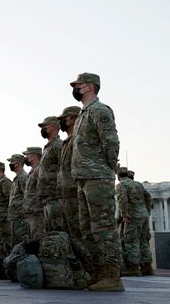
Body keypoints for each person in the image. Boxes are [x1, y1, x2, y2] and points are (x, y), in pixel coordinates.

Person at [70, 72, 123, 291]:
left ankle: (112, 276)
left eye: (78, 85)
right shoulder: (84, 113)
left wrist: (106, 168)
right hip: (83, 177)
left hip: (97, 177)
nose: (75, 88)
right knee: (87, 229)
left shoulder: (100, 111)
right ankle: (97, 274)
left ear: (89, 87)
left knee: (103, 228)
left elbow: (111, 142)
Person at [57, 106, 93, 275]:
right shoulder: (66, 142)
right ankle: (82, 272)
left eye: (63, 118)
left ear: (72, 118)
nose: (61, 122)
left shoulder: (77, 139)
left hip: (74, 193)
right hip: (64, 195)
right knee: (70, 235)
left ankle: (91, 270)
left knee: (80, 234)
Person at [116, 167, 153, 277]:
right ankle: (147, 267)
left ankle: (134, 267)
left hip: (132, 216)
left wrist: (124, 214)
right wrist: (147, 211)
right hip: (144, 215)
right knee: (144, 240)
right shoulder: (138, 184)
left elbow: (122, 199)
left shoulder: (121, 185)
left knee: (131, 240)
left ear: (118, 176)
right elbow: (148, 197)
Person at [37, 116, 65, 232]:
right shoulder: (48, 147)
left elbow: (64, 167)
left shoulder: (58, 145)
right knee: (50, 230)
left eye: (45, 126)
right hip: (47, 196)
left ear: (54, 126)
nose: (43, 129)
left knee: (57, 230)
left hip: (55, 195)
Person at [22, 147, 44, 241]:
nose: (26, 158)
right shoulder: (32, 172)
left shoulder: (40, 170)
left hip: (37, 210)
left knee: (38, 237)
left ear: (34, 156)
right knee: (33, 238)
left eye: (27, 156)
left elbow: (41, 189)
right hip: (31, 210)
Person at [7, 154, 29, 247]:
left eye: (12, 162)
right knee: (16, 243)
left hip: (21, 217)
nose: (10, 164)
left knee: (21, 243)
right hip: (16, 217)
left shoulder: (23, 177)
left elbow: (27, 196)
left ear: (18, 164)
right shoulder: (17, 178)